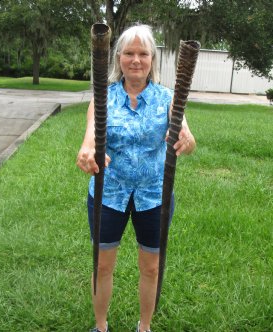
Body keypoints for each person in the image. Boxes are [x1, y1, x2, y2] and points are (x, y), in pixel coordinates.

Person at [76, 24, 195, 332]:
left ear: (152, 59)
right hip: (108, 192)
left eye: (143, 53)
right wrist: (88, 153)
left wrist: (186, 140)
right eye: (129, 53)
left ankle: (145, 327)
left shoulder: (168, 97)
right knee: (102, 265)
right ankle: (100, 327)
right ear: (118, 58)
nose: (136, 60)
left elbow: (187, 136)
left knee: (152, 267)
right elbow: (89, 138)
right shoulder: (102, 97)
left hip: (154, 194)